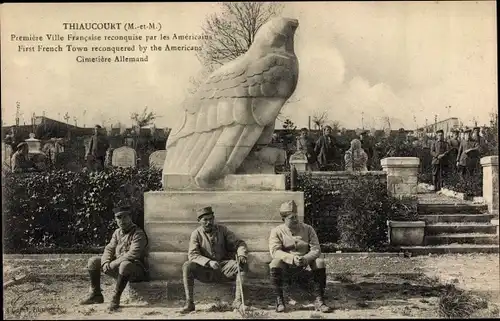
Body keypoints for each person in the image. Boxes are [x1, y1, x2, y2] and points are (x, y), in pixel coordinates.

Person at [180, 206, 248, 313]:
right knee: (187, 266)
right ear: (199, 221)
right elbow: (193, 254)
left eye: (210, 219)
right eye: (205, 220)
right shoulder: (196, 234)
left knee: (242, 265)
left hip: (224, 268)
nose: (208, 222)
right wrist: (208, 262)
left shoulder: (223, 230)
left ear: (213, 218)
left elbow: (239, 243)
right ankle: (189, 303)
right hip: (205, 271)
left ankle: (237, 301)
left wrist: (241, 254)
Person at [80, 206, 149, 311]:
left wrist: (112, 264)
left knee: (125, 264)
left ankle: (116, 298)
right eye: (119, 218)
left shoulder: (138, 233)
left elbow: (132, 254)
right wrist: (105, 262)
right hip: (119, 268)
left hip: (136, 271)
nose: (122, 221)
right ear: (115, 219)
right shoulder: (117, 233)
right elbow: (109, 248)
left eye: (125, 217)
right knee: (93, 261)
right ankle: (96, 294)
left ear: (131, 218)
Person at [268, 200, 332, 313]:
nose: (295, 220)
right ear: (283, 219)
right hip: (286, 265)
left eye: (296, 217)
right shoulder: (277, 231)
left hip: (305, 262)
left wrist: (306, 258)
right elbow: (275, 251)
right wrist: (292, 258)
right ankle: (279, 301)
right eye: (291, 218)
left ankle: (319, 300)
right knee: (274, 263)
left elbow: (316, 249)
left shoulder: (308, 229)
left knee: (320, 262)